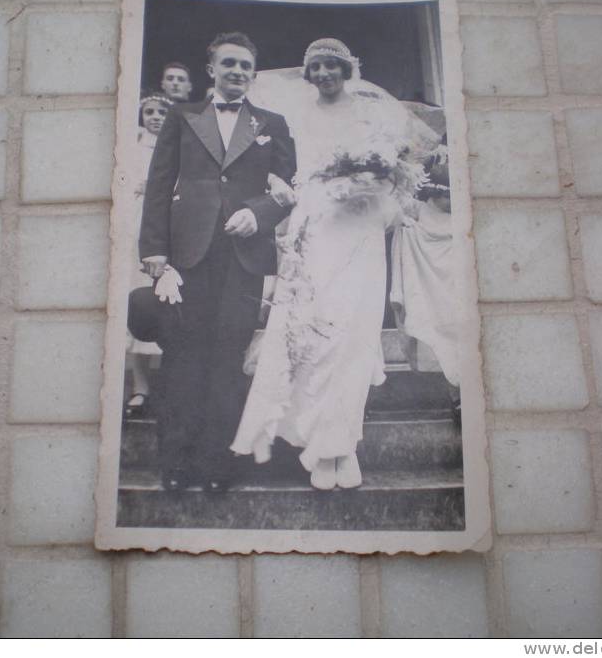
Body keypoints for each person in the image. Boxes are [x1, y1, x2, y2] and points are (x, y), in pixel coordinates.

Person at [230, 38, 440, 490]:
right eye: (316, 67)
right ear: (308, 74)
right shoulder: (295, 118)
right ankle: (312, 442)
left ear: (348, 69)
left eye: (332, 66)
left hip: (359, 228)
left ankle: (341, 446)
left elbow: (395, 167)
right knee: (312, 331)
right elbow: (290, 174)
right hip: (316, 228)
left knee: (353, 333)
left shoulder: (372, 115)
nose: (324, 74)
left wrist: (373, 180)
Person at [139, 32, 297, 492]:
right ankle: (175, 462)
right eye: (228, 64)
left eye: (245, 66)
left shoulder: (272, 123)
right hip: (187, 256)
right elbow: (158, 185)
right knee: (184, 353)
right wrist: (154, 250)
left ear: (253, 72)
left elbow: (287, 190)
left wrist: (260, 214)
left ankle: (216, 465)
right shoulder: (183, 118)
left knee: (228, 356)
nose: (237, 72)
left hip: (243, 259)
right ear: (211, 70)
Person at [390, 162, 461, 421]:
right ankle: (456, 398)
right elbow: (394, 200)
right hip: (429, 289)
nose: (451, 201)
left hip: (455, 286)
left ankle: (465, 396)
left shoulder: (463, 215)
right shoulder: (417, 210)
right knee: (439, 335)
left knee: (459, 335)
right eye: (446, 196)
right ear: (434, 193)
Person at [124, 93, 174, 417]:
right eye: (149, 112)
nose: (155, 117)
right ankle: (140, 386)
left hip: (169, 229)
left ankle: (168, 386)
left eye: (161, 112)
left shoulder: (178, 147)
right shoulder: (131, 149)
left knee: (168, 306)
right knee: (138, 308)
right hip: (136, 229)